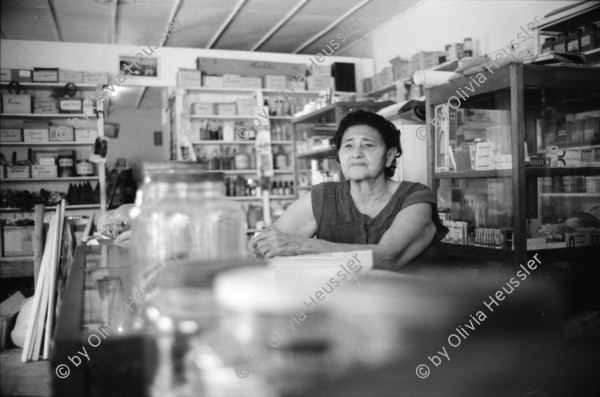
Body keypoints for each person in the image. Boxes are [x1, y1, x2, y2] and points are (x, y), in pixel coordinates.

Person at [248, 110, 448, 272]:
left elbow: (387, 256)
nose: (356, 154)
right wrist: (261, 245)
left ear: (389, 156)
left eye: (368, 145)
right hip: (345, 309)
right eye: (348, 146)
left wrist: (301, 246)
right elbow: (266, 242)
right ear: (340, 157)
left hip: (414, 312)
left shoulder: (415, 197)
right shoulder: (324, 197)